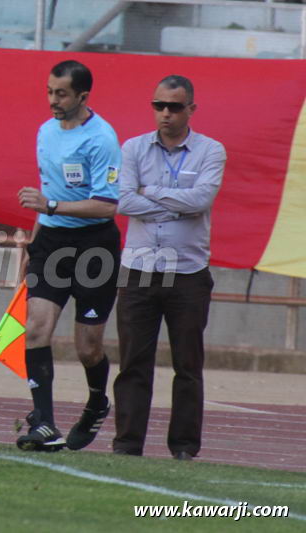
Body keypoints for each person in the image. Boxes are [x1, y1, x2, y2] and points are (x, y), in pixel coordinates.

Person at [112, 75, 225, 461]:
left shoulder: (211, 151)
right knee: (132, 363)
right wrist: (177, 202)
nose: (165, 113)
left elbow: (202, 199)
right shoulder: (133, 148)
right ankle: (127, 444)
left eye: (174, 106)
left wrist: (151, 193)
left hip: (188, 273)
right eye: (159, 105)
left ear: (191, 109)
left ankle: (183, 447)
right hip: (139, 269)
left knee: (188, 366)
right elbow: (124, 201)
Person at [15, 60, 121, 452]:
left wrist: (52, 205)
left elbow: (107, 206)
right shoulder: (45, 132)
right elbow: (47, 192)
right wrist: (33, 243)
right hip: (52, 243)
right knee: (36, 328)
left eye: (61, 94)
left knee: (87, 348)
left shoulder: (102, 139)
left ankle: (96, 404)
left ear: (82, 96)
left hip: (95, 247)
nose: (52, 101)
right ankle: (44, 423)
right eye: (49, 91)